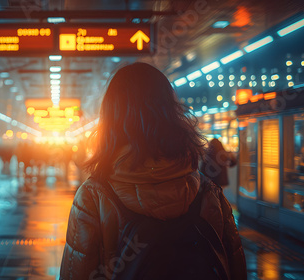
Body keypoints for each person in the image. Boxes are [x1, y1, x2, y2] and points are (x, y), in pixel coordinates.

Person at [60, 63, 247, 279]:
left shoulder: (93, 197)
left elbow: (77, 273)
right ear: (173, 113)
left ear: (110, 120)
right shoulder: (210, 194)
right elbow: (235, 269)